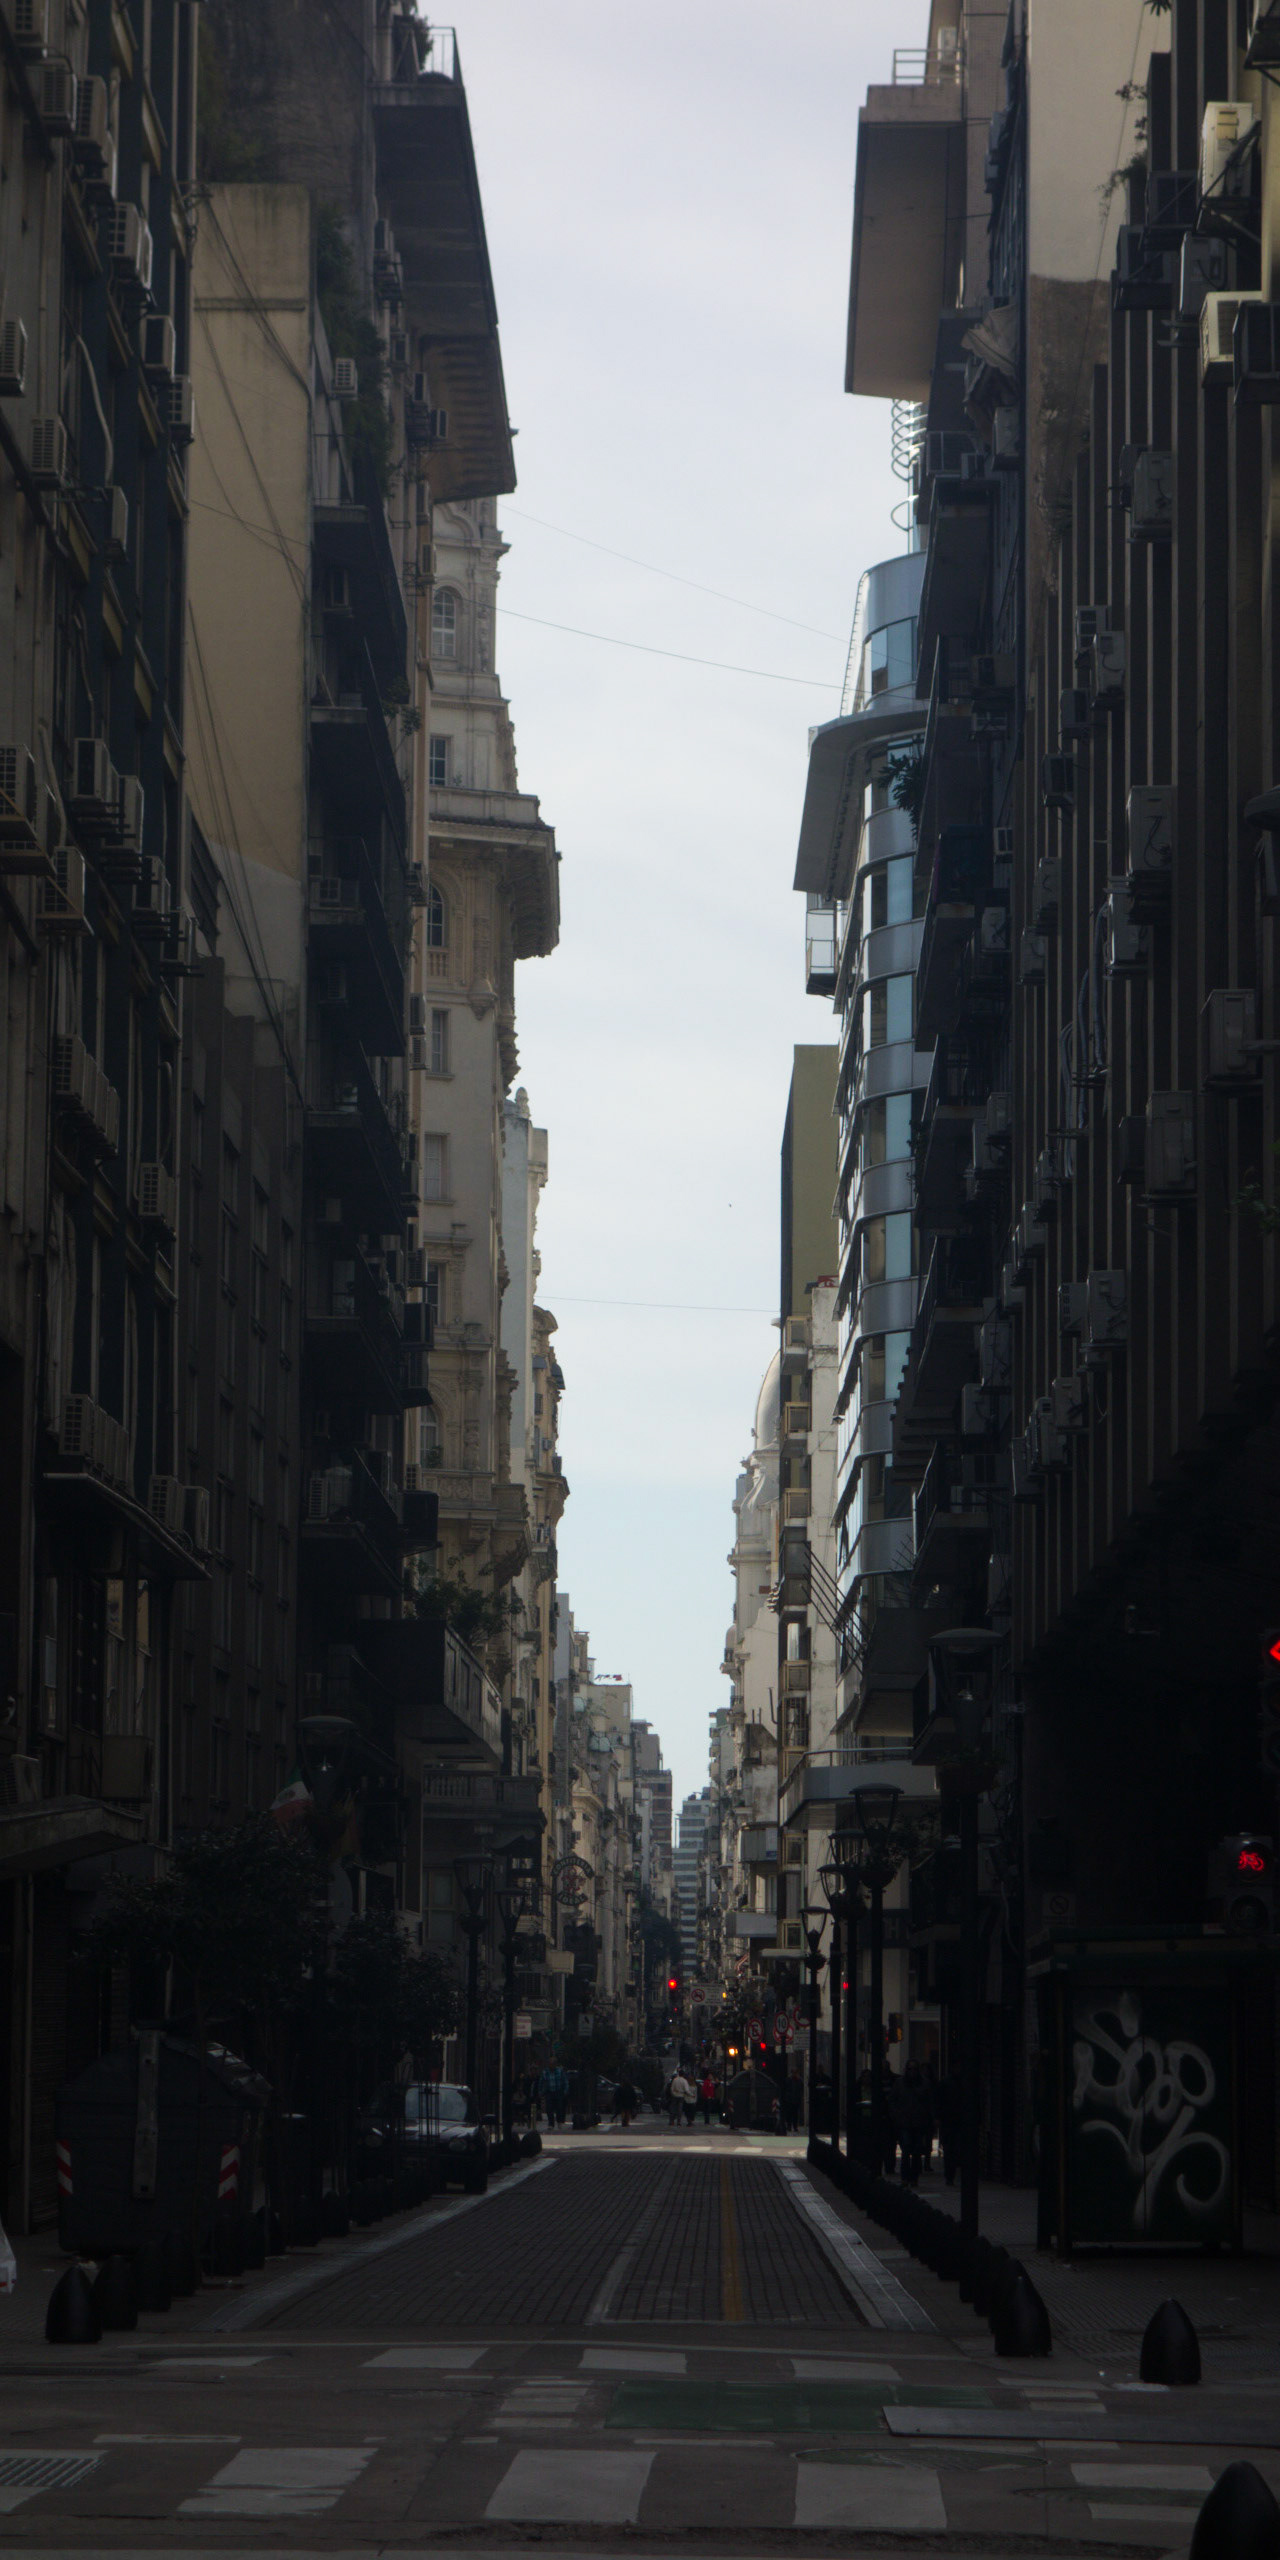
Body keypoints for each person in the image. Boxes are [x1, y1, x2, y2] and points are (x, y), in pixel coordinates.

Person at [937, 2067, 962, 2186]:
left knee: (952, 2150)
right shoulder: (947, 2083)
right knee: (950, 2149)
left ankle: (950, 2175)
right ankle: (950, 2175)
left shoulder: (947, 2082)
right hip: (949, 2121)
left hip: (953, 2121)